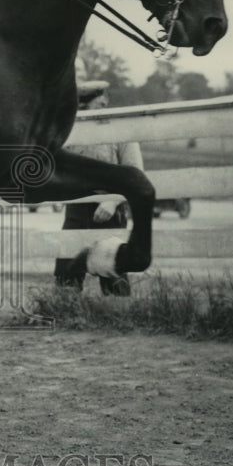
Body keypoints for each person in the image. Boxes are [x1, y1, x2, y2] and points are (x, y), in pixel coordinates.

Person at [54, 59, 145, 295]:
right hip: (76, 209)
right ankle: (67, 316)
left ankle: (117, 318)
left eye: (90, 104)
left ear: (104, 101)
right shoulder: (71, 130)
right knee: (66, 277)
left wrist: (113, 201)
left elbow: (135, 174)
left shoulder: (121, 131)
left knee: (114, 278)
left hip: (109, 213)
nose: (83, 111)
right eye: (81, 106)